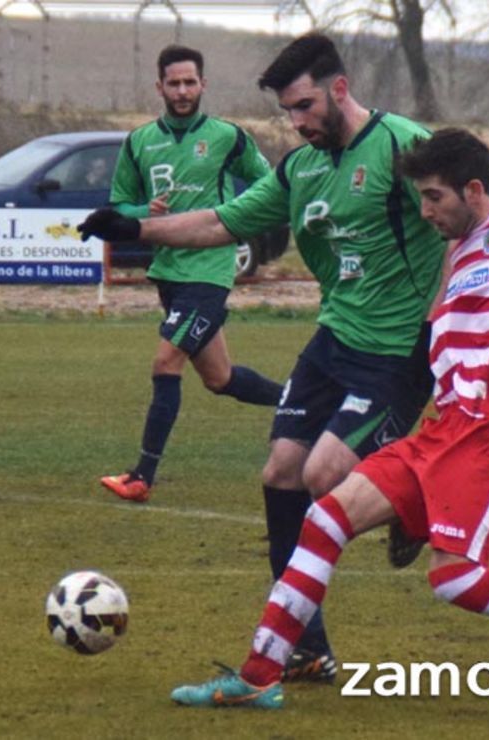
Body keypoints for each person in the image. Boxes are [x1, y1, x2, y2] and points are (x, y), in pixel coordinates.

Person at [160, 127, 489, 716]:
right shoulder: (458, 254)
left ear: (473, 191)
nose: (424, 211)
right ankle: (258, 675)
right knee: (324, 519)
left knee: (455, 579)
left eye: (433, 198)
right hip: (442, 431)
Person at [79, 33, 445, 682]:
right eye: (287, 112)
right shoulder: (299, 169)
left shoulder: (401, 145)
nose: (296, 122)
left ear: (338, 89)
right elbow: (220, 222)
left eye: (304, 106)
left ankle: (414, 500)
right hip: (333, 342)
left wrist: (451, 317)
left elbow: (469, 213)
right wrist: (133, 229)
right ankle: (307, 645)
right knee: (281, 473)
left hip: (395, 352)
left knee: (323, 475)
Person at [95, 44, 284, 504]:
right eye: (174, 83)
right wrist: (143, 211)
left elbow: (270, 185)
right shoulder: (139, 143)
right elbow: (120, 205)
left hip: (211, 271)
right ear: (160, 87)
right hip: (169, 271)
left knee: (165, 363)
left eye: (190, 82)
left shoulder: (226, 137)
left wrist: (233, 220)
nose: (183, 91)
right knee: (219, 378)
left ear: (203, 84)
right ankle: (306, 400)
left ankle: (141, 476)